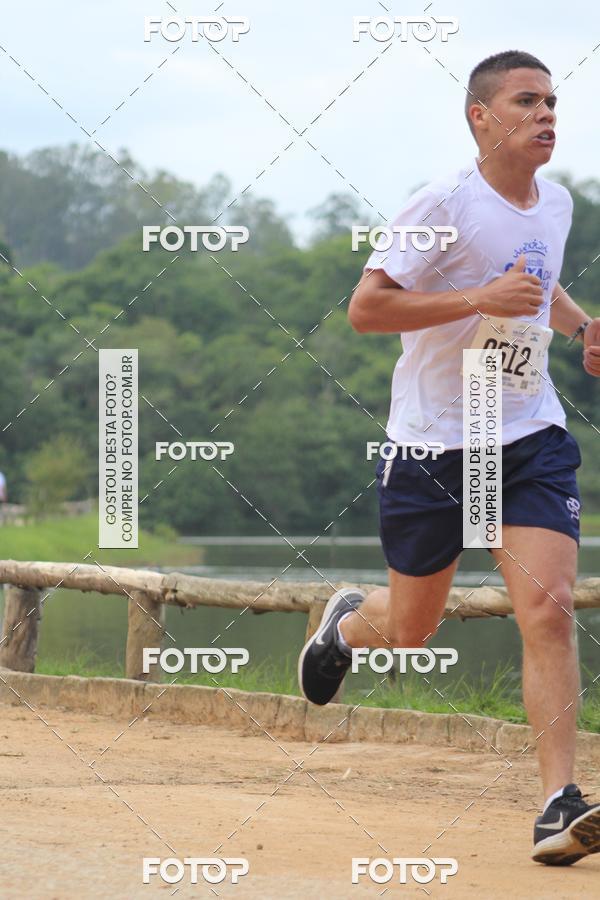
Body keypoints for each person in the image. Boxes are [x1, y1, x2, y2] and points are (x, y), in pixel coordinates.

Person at [298, 50, 600, 866]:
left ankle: (558, 803)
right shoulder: (442, 204)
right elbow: (367, 309)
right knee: (412, 627)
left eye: (552, 102)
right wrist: (477, 298)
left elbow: (540, 284)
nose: (547, 115)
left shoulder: (557, 203)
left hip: (528, 436)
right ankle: (345, 627)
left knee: (549, 608)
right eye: (527, 101)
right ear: (481, 116)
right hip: (434, 444)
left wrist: (581, 327)